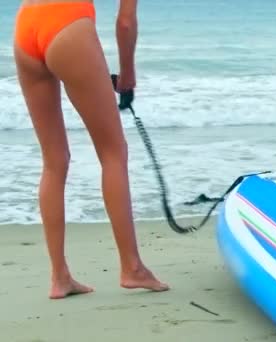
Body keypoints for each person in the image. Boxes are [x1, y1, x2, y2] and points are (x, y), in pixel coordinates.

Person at [13, 0, 169, 299]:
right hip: (67, 24)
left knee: (54, 161)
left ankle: (60, 278)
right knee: (114, 153)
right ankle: (132, 268)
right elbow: (125, 22)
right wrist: (127, 74)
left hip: (25, 24)